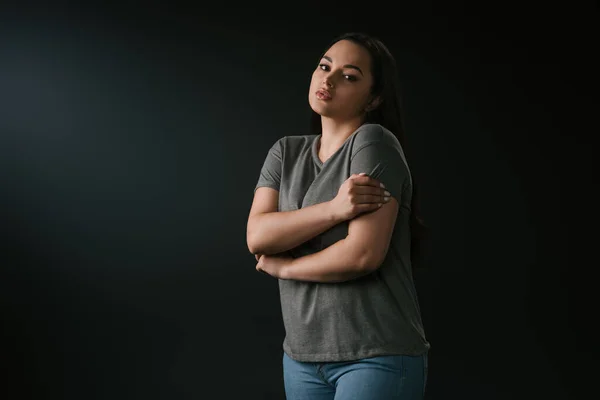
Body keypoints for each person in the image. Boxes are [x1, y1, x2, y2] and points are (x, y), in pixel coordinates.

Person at [247, 32, 430, 400]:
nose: (328, 79)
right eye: (324, 66)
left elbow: (362, 255)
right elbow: (257, 236)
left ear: (374, 97)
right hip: (301, 357)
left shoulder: (372, 142)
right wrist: (334, 209)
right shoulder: (285, 153)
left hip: (375, 355)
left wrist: (284, 268)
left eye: (349, 76)